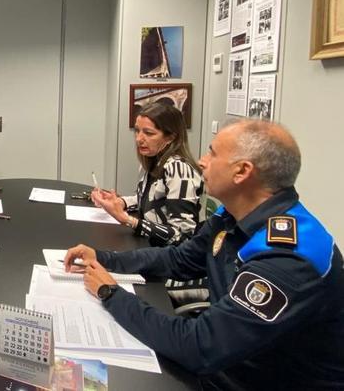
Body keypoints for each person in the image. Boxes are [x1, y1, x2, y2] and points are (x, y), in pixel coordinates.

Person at [65, 120, 344, 388]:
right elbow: (178, 259)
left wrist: (110, 293)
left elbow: (201, 346)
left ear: (242, 171)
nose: (201, 161)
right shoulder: (234, 215)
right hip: (233, 363)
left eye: (212, 152)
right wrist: (105, 258)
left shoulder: (287, 258)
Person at [92, 102, 203, 246]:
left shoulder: (179, 170)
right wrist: (120, 202)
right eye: (137, 131)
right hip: (150, 248)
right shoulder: (155, 160)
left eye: (149, 133)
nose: (139, 139)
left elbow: (181, 236)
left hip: (168, 259)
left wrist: (127, 220)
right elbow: (153, 201)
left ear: (171, 137)